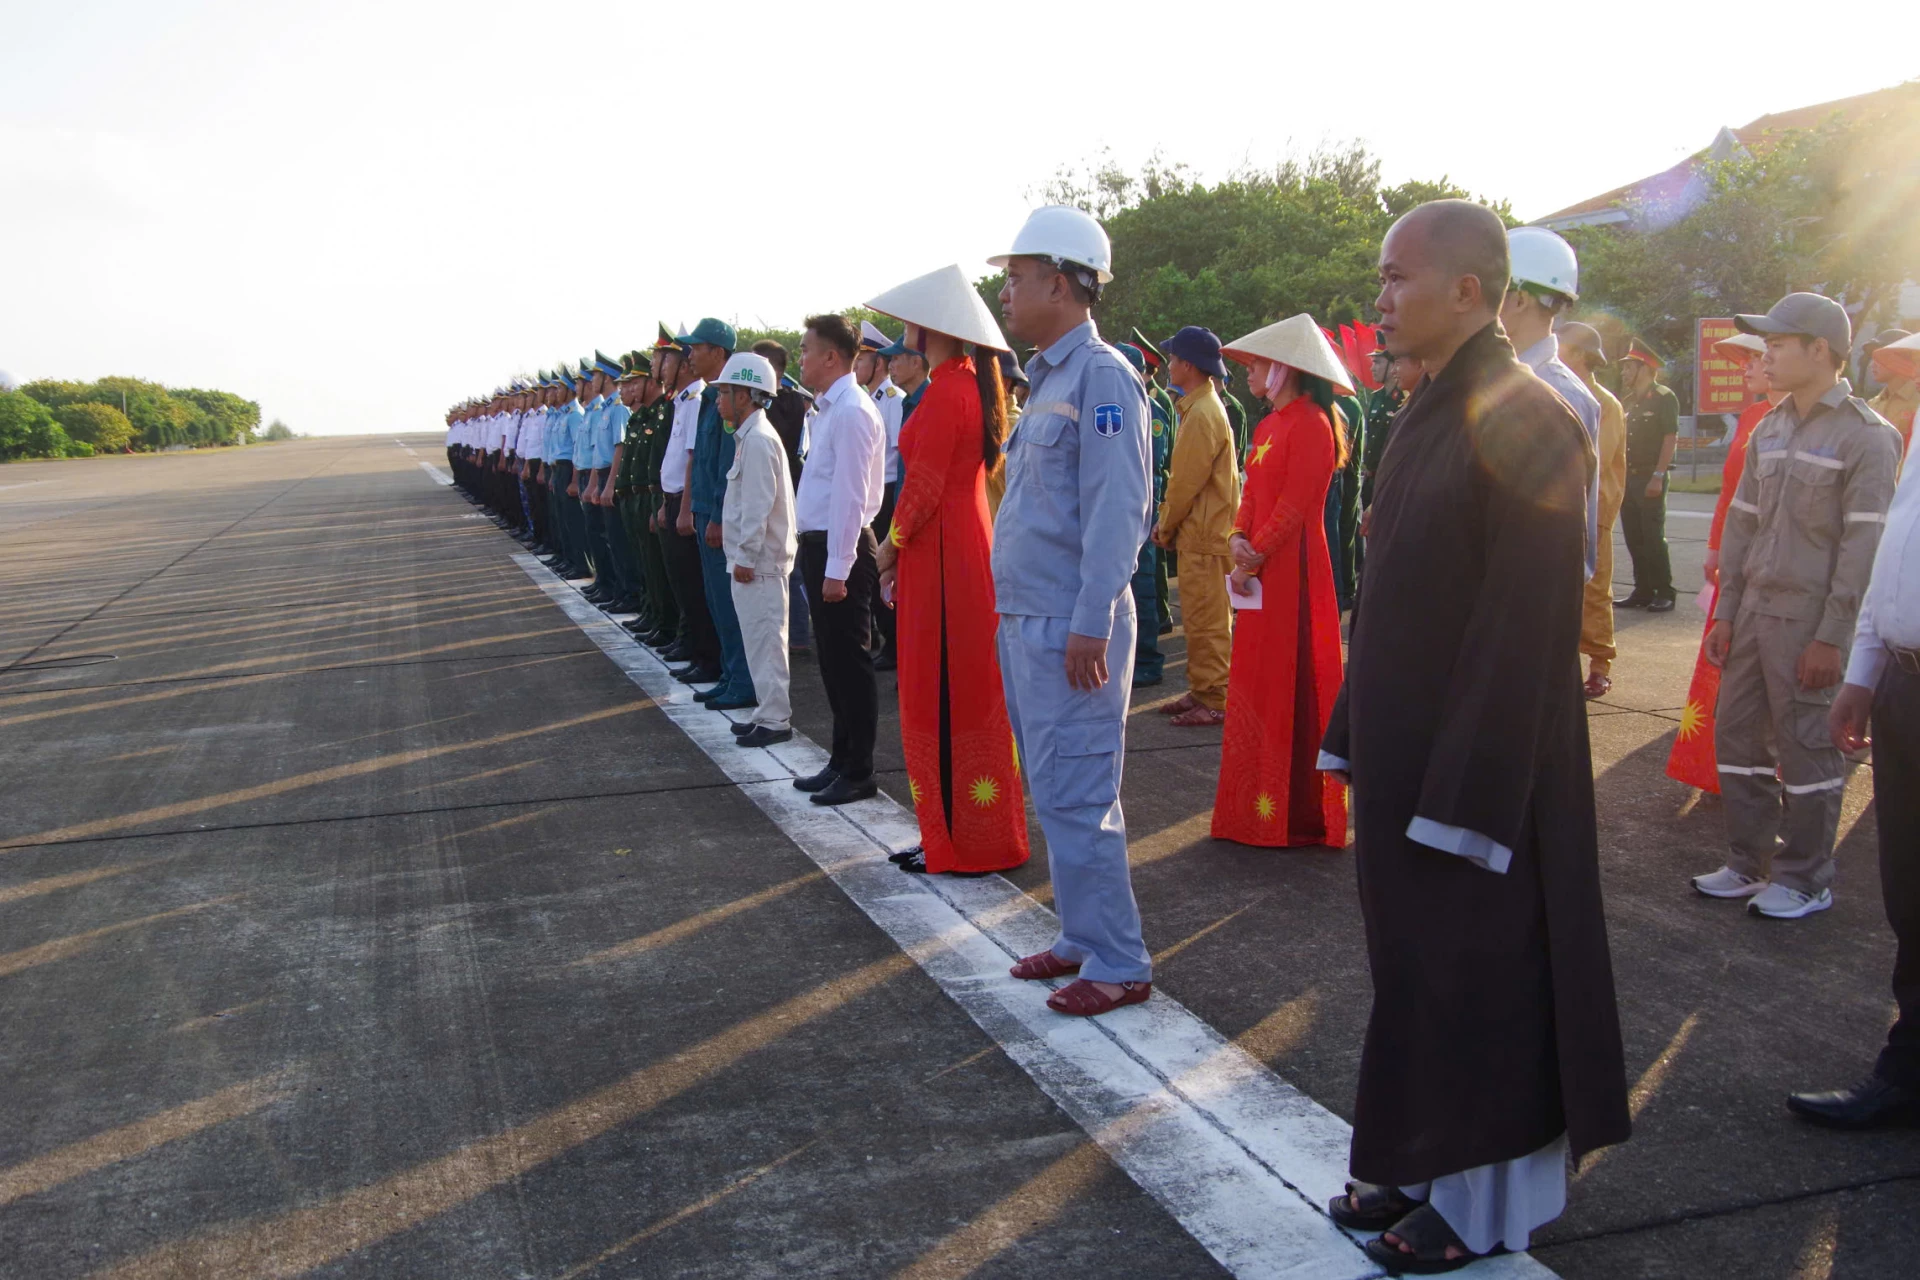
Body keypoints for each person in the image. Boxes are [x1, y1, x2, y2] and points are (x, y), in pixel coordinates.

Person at [1319, 200, 1628, 1270]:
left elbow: (1521, 633)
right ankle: (1416, 1159)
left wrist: (1468, 795)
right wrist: (1356, 725)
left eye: (1399, 278)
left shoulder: (1529, 413)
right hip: (1413, 756)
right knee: (1417, 971)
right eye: (1381, 279)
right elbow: (1397, 584)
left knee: (1484, 980)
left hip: (1481, 777)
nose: (1382, 300)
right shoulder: (1429, 408)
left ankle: (1484, 1204)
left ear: (1467, 289)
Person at [988, 205, 1154, 1018]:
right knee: (1054, 789)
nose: (1006, 289)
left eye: (1017, 277)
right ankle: (1083, 936)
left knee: (1082, 790)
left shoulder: (1103, 377)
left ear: (1061, 281)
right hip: (1029, 618)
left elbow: (1119, 508)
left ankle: (1121, 960)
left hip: (1070, 625)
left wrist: (1093, 617)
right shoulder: (1046, 378)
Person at [1693, 293, 1900, 918]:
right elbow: (1743, 525)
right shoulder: (1770, 426)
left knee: (1808, 748)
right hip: (1753, 612)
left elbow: (1863, 547)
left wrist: (1833, 636)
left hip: (1810, 622)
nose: (1769, 354)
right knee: (1736, 739)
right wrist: (1726, 611)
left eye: (1780, 344)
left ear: (1821, 351)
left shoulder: (1868, 436)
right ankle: (1747, 862)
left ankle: (1807, 877)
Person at [867, 263, 1031, 875]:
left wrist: (887, 549)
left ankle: (961, 838)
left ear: (930, 328)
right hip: (958, 549)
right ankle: (960, 831)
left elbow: (923, 488)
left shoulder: (947, 392)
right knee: (963, 692)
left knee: (943, 692)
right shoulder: (964, 384)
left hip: (941, 557)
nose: (903, 328)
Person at [1788, 439, 1920, 1129]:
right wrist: (1867, 669)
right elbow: (1899, 552)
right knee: (1910, 892)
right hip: (1904, 677)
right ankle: (1908, 1071)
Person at [1212, 315, 1349, 848]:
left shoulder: (1313, 423)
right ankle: (1250, 808)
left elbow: (1296, 507)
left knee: (1293, 679)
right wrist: (1238, 536)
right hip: (1262, 569)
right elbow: (1251, 493)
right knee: (1258, 679)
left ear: (1284, 368)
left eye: (1258, 363)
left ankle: (1293, 813)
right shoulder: (1268, 424)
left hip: (1294, 572)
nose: (1249, 371)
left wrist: (1253, 556)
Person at [1665, 333, 1780, 790]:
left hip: (1774, 566)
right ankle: (1715, 768)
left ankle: (1773, 772)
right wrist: (1714, 548)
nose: (1747, 368)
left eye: (1756, 358)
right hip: (1734, 560)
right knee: (1723, 664)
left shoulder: (1794, 422)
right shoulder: (1751, 416)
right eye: (1747, 359)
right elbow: (1728, 494)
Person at [792, 314, 887, 806]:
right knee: (831, 662)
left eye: (807, 349)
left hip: (841, 547)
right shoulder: (827, 408)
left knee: (850, 662)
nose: (801, 356)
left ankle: (859, 770)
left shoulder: (851, 410)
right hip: (822, 545)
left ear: (832, 357)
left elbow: (851, 497)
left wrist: (837, 569)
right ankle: (840, 758)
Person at [1151, 326, 1239, 727]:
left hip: (1204, 535)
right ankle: (1204, 689)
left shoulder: (1201, 413)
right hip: (1203, 533)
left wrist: (1165, 525)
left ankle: (1215, 696)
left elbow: (1184, 482)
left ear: (1188, 365)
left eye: (1172, 359)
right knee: (1202, 619)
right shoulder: (1201, 407)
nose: (1168, 365)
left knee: (1207, 621)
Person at [1502, 228, 1601, 579]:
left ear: (1519, 299)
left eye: (1493, 291)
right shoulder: (1492, 381)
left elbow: (1559, 535)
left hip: (1525, 595)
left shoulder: (1563, 396)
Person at [715, 352, 798, 749]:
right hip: (752, 561)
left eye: (725, 392)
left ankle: (776, 719)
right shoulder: (749, 436)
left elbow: (758, 507)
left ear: (746, 395)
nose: (719, 399)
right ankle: (766, 712)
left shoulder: (760, 440)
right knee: (757, 641)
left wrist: (745, 557)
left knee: (767, 642)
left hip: (760, 563)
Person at [683, 319, 758, 712]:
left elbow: (727, 466)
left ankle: (743, 680)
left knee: (730, 606)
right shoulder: (711, 399)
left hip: (717, 517)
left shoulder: (732, 399)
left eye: (697, 347)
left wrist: (715, 515)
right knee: (716, 602)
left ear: (718, 352)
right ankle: (730, 675)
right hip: (703, 513)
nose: (690, 354)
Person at [1557, 322, 1627, 698]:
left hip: (1593, 508)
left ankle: (1600, 665)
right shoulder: (1557, 392)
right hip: (1559, 508)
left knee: (1595, 590)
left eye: (1564, 348)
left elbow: (1597, 462)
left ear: (1582, 355)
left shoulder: (1605, 403)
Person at [659, 335, 722, 683]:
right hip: (674, 499)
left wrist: (684, 510)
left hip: (687, 503)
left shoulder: (698, 399)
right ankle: (698, 653)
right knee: (684, 586)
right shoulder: (683, 401)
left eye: (666, 361)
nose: (661, 369)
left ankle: (707, 659)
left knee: (697, 590)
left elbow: (693, 459)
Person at [754, 338, 814, 656]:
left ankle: (799, 633)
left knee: (789, 563)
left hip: (785, 486)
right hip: (780, 485)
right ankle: (793, 632)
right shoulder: (780, 400)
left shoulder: (784, 402)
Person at [1116, 342, 1167, 689]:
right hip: (1122, 504)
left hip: (1141, 507)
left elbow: (1153, 466)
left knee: (1143, 585)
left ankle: (1147, 661)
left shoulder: (1152, 410)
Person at [1614, 340, 1679, 612]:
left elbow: (1670, 437)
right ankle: (1642, 590)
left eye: (1629, 367)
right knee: (1633, 535)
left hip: (1650, 476)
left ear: (1645, 368)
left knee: (1652, 535)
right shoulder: (1629, 402)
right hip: (1628, 477)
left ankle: (1664, 590)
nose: (1624, 372)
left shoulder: (1664, 397)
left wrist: (1658, 475)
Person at [1865, 329, 1915, 456]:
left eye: (1880, 358)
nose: (1872, 365)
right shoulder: (1871, 405)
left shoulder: (1917, 402)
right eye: (1872, 358)